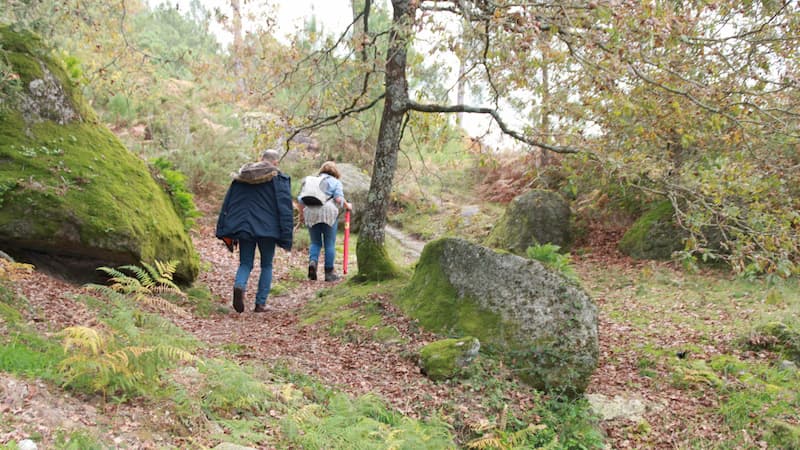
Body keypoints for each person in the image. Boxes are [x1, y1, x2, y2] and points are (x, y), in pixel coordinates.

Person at [216, 149, 293, 313]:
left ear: (261, 159)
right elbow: (285, 208)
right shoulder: (278, 179)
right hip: (268, 230)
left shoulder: (241, 178)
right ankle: (260, 304)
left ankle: (239, 286)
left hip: (244, 227)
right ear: (275, 162)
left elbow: (228, 204)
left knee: (245, 263)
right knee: (266, 265)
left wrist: (226, 227)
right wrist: (286, 233)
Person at [297, 161, 352, 282]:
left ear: (322, 170)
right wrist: (347, 205)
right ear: (335, 172)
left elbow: (301, 200)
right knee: (329, 243)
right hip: (328, 212)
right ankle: (329, 273)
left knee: (315, 242)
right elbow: (338, 199)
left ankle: (313, 262)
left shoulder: (312, 181)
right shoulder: (335, 182)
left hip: (311, 212)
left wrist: (302, 216)